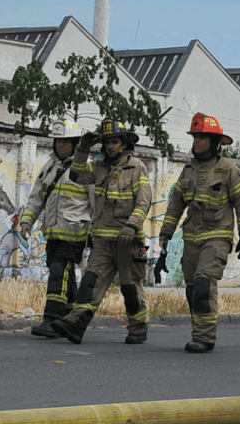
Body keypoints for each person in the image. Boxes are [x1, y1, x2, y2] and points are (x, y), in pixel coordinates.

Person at [158, 113, 240, 353]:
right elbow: (175, 205)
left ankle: (204, 337)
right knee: (192, 290)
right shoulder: (188, 171)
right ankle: (199, 330)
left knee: (203, 284)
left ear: (215, 142)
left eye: (202, 137)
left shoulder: (229, 171)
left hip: (217, 238)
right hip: (191, 239)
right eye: (195, 137)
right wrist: (165, 235)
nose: (197, 142)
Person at [51, 118, 152, 345]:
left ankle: (138, 327)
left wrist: (132, 225)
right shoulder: (98, 167)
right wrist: (82, 149)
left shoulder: (136, 168)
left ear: (124, 144)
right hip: (103, 241)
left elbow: (144, 201)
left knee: (130, 287)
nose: (110, 147)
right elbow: (76, 175)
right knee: (90, 283)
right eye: (107, 143)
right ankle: (75, 324)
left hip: (129, 241)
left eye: (115, 142)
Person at [20, 119, 93, 338]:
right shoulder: (50, 167)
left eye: (66, 143)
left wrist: (97, 233)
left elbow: (96, 201)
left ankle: (51, 319)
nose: (62, 146)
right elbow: (36, 197)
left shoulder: (86, 168)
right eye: (58, 142)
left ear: (75, 144)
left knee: (59, 271)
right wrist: (26, 222)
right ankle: (68, 318)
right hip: (53, 232)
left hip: (75, 232)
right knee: (64, 274)